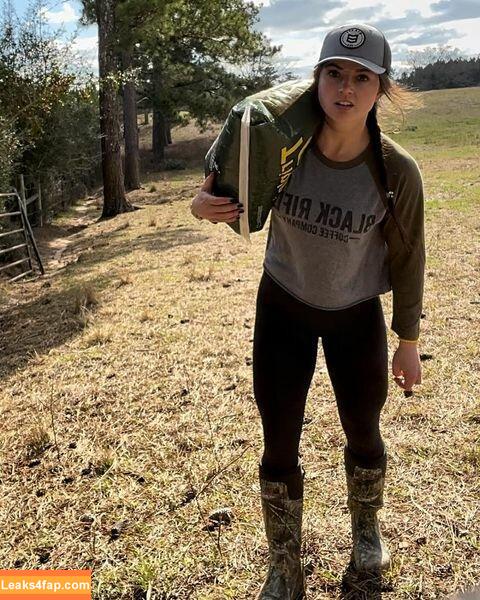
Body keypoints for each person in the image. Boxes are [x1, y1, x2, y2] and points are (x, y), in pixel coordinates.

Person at [191, 23, 425, 599]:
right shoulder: (280, 146)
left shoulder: (396, 170)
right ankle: (284, 565)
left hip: (355, 316)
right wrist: (201, 205)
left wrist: (408, 342)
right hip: (283, 308)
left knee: (364, 432)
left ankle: (366, 532)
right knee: (278, 441)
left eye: (362, 78)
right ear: (316, 80)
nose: (346, 88)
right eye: (334, 74)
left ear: (380, 89)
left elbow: (409, 257)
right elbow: (219, 191)